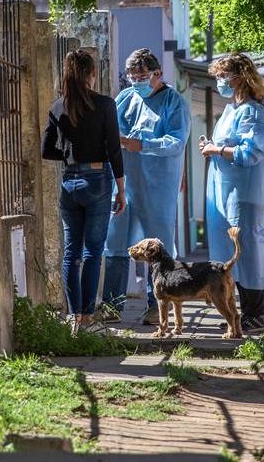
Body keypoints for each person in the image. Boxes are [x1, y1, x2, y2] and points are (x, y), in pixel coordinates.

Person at [102, 48, 191, 324]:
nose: (137, 81)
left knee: (159, 248)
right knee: (116, 244)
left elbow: (176, 141)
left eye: (142, 76)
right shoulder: (126, 98)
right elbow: (110, 133)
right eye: (132, 76)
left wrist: (142, 145)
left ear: (158, 73)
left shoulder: (174, 102)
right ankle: (112, 305)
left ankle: (159, 306)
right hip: (126, 183)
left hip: (158, 185)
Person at [42, 49, 126, 334]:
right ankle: (88, 320)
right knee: (93, 252)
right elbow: (114, 148)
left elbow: (46, 150)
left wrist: (69, 154)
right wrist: (122, 189)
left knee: (70, 254)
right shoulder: (105, 104)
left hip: (69, 181)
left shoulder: (57, 107)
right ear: (92, 74)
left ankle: (74, 319)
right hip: (98, 179)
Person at [199, 53, 264, 334]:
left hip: (245, 194)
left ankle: (255, 315)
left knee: (247, 252)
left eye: (223, 76)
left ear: (239, 78)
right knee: (230, 253)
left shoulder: (252, 112)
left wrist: (215, 150)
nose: (219, 82)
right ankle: (235, 314)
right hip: (227, 193)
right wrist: (213, 145)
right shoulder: (232, 110)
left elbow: (251, 153)